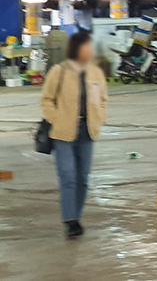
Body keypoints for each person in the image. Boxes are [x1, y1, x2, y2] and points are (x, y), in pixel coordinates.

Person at [40, 29, 108, 239]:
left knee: (83, 178)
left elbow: (103, 100)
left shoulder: (96, 73)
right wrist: (57, 118)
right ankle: (70, 220)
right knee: (68, 176)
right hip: (63, 133)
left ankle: (76, 217)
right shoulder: (59, 71)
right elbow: (46, 100)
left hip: (87, 132)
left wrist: (99, 118)